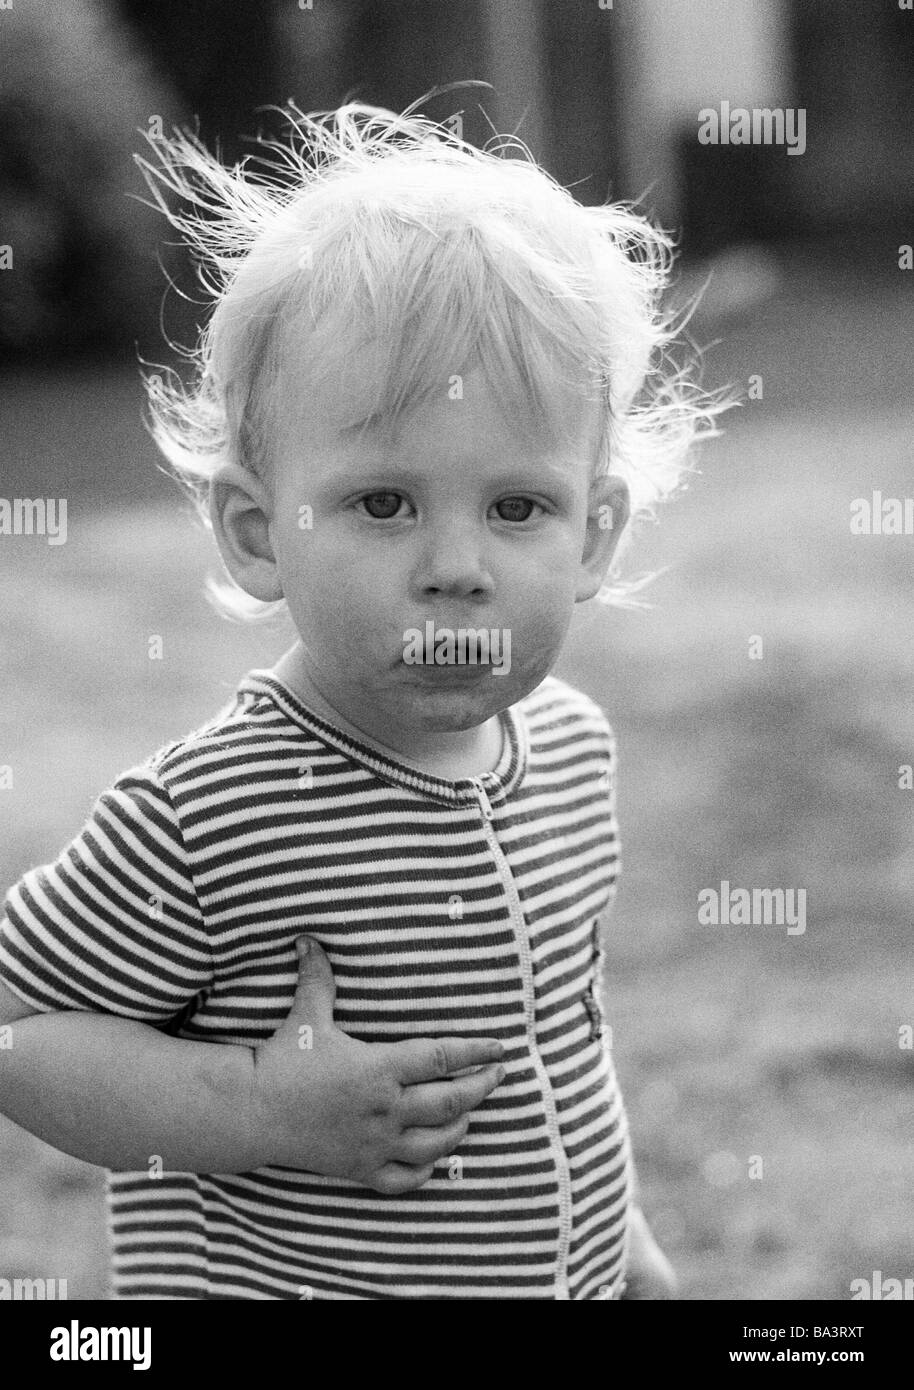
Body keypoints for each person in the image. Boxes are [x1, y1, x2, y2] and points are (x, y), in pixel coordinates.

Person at [0, 99, 719, 1299]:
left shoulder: (571, 754)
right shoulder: (210, 811)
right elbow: (21, 1036)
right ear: (255, 531)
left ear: (593, 536)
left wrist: (622, 1251)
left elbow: (556, 1053)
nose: (455, 563)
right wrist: (252, 1109)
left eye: (516, 506)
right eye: (384, 503)